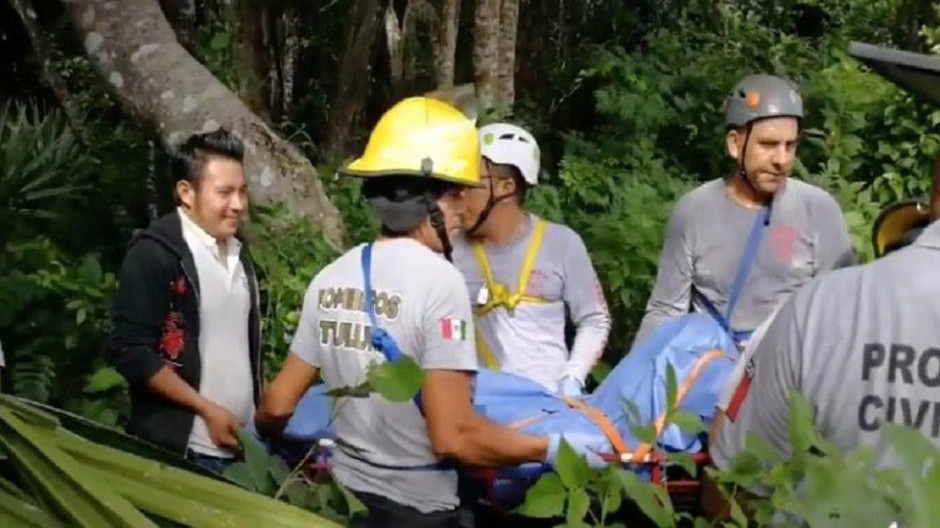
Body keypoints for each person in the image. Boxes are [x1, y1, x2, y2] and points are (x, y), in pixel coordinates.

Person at [253, 97, 611, 528]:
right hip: (419, 511)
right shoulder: (441, 283)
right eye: (456, 193)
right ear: (426, 200)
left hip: (347, 504)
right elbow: (452, 436)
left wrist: (259, 442)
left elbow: (276, 405)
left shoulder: (332, 276)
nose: (464, 206)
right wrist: (549, 449)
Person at [632, 73, 855, 351]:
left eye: (791, 145)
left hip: (786, 372)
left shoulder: (819, 211)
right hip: (711, 372)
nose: (782, 160)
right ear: (735, 144)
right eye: (768, 145)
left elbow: (838, 315)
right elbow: (665, 311)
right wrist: (629, 380)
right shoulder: (694, 211)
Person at [110, 128, 262, 474]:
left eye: (242, 192)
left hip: (242, 451)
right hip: (183, 451)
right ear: (186, 192)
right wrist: (207, 409)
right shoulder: (155, 253)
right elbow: (132, 352)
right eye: (224, 193)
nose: (238, 205)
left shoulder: (240, 254)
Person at [451, 122, 612, 396]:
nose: (459, 194)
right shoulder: (449, 249)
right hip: (476, 408)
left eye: (471, 183)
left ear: (506, 187)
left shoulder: (561, 244)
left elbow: (595, 319)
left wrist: (572, 379)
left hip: (547, 409)